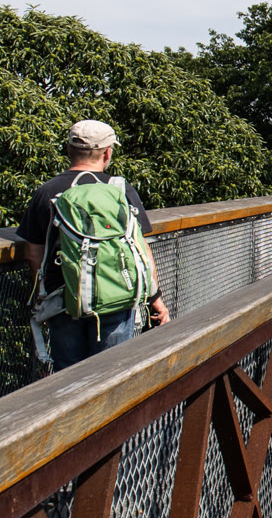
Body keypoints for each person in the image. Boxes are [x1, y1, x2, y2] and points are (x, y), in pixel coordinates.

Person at [18, 119, 170, 370]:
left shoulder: (46, 191)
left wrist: (42, 294)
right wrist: (156, 299)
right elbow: (141, 250)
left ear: (68, 150)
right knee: (112, 373)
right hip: (115, 296)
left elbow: (35, 254)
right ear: (107, 153)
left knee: (68, 377)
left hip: (63, 298)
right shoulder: (119, 189)